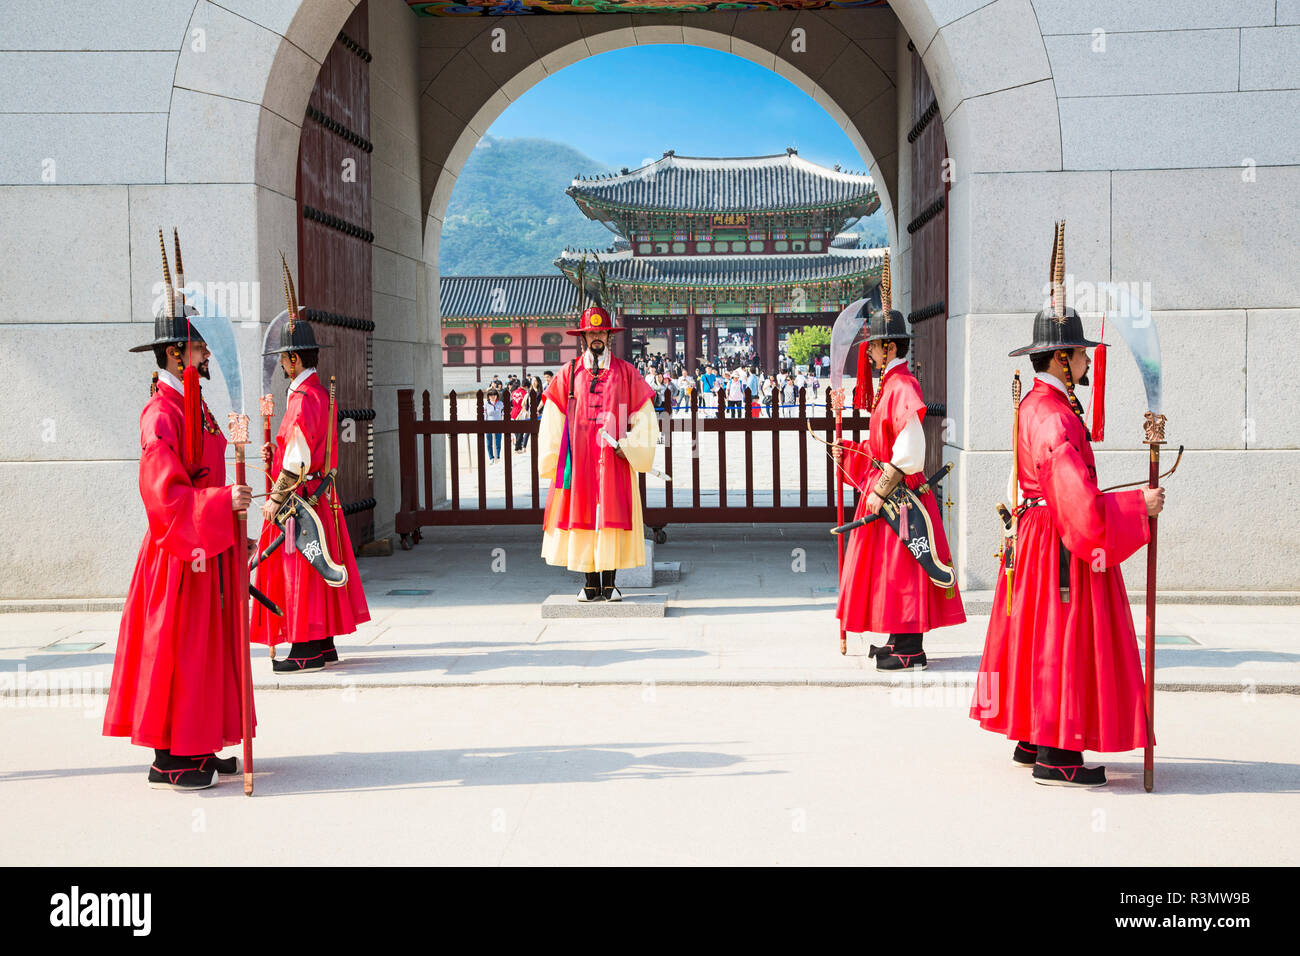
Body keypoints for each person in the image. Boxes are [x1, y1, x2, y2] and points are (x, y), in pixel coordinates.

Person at [971, 221, 1164, 787]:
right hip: (1059, 540)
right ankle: (1058, 755)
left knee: (1036, 635)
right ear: (1060, 359)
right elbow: (1079, 507)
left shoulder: (1036, 405)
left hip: (1034, 538)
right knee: (1061, 638)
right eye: (1080, 354)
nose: (1085, 363)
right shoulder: (1055, 416)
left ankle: (1035, 738)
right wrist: (1136, 508)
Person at [104, 228, 250, 790]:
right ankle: (176, 756)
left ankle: (200, 743)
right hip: (180, 550)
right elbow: (163, 494)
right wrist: (219, 503)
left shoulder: (195, 403)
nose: (207, 353)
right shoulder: (160, 413)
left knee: (203, 650)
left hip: (206, 546)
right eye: (199, 347)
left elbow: (211, 459)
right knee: (180, 652)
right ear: (175, 353)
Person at [832, 251, 966, 669]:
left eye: (873, 347)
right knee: (891, 570)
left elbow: (909, 451)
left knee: (904, 568)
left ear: (889, 347)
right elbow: (883, 447)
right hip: (892, 491)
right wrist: (851, 453)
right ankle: (896, 637)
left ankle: (910, 648)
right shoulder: (891, 386)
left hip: (900, 496)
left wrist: (880, 491)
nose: (870, 355)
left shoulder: (902, 386)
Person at [251, 262, 370, 673]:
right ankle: (322, 643)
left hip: (299, 499)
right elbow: (302, 449)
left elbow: (298, 459)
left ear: (294, 358)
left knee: (297, 565)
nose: (282, 365)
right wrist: (278, 450)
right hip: (321, 495)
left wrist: (274, 499)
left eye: (284, 359)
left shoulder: (302, 399)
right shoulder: (317, 393)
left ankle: (303, 649)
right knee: (317, 562)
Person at [538, 304, 660, 602]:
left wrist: (629, 445)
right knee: (582, 518)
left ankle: (611, 582)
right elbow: (553, 420)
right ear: (583, 337)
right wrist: (554, 459)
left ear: (609, 336)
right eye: (591, 332)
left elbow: (645, 416)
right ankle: (589, 582)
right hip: (578, 461)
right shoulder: (568, 374)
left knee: (612, 518)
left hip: (614, 459)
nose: (596, 337)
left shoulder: (626, 373)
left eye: (601, 332)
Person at [484, 388, 504, 462]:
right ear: (488, 396)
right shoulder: (486, 404)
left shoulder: (500, 403)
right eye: (491, 395)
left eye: (494, 395)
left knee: (498, 441)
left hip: (498, 425)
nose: (492, 396)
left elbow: (502, 414)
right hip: (488, 425)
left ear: (497, 396)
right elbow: (484, 415)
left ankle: (497, 456)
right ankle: (491, 458)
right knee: (489, 442)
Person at [511, 378, 530, 452]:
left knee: (516, 429)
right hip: (521, 412)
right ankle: (518, 446)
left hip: (513, 411)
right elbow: (525, 404)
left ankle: (517, 445)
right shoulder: (525, 393)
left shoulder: (513, 392)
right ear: (526, 386)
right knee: (521, 430)